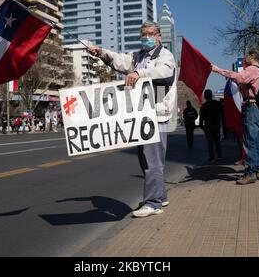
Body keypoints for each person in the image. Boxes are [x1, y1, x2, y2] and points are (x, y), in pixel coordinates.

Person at [88, 21, 177, 218]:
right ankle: (160, 196)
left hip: (156, 113)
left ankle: (152, 203)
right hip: (141, 114)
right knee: (147, 159)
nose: (146, 37)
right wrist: (101, 52)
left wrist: (139, 73)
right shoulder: (138, 56)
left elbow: (164, 72)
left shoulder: (165, 56)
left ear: (159, 36)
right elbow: (120, 60)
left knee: (152, 161)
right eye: (143, 34)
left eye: (150, 34)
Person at [212, 49, 259, 185]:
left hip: (250, 107)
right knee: (256, 140)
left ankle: (250, 172)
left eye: (247, 55)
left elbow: (238, 77)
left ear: (252, 56)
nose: (244, 58)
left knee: (249, 141)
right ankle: (258, 169)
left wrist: (218, 70)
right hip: (255, 107)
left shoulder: (252, 69)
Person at [199, 90, 223, 163]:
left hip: (208, 125)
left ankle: (211, 157)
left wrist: (201, 125)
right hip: (216, 124)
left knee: (210, 142)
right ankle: (219, 156)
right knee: (217, 141)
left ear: (205, 96)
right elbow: (222, 113)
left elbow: (201, 117)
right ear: (211, 95)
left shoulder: (204, 106)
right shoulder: (217, 104)